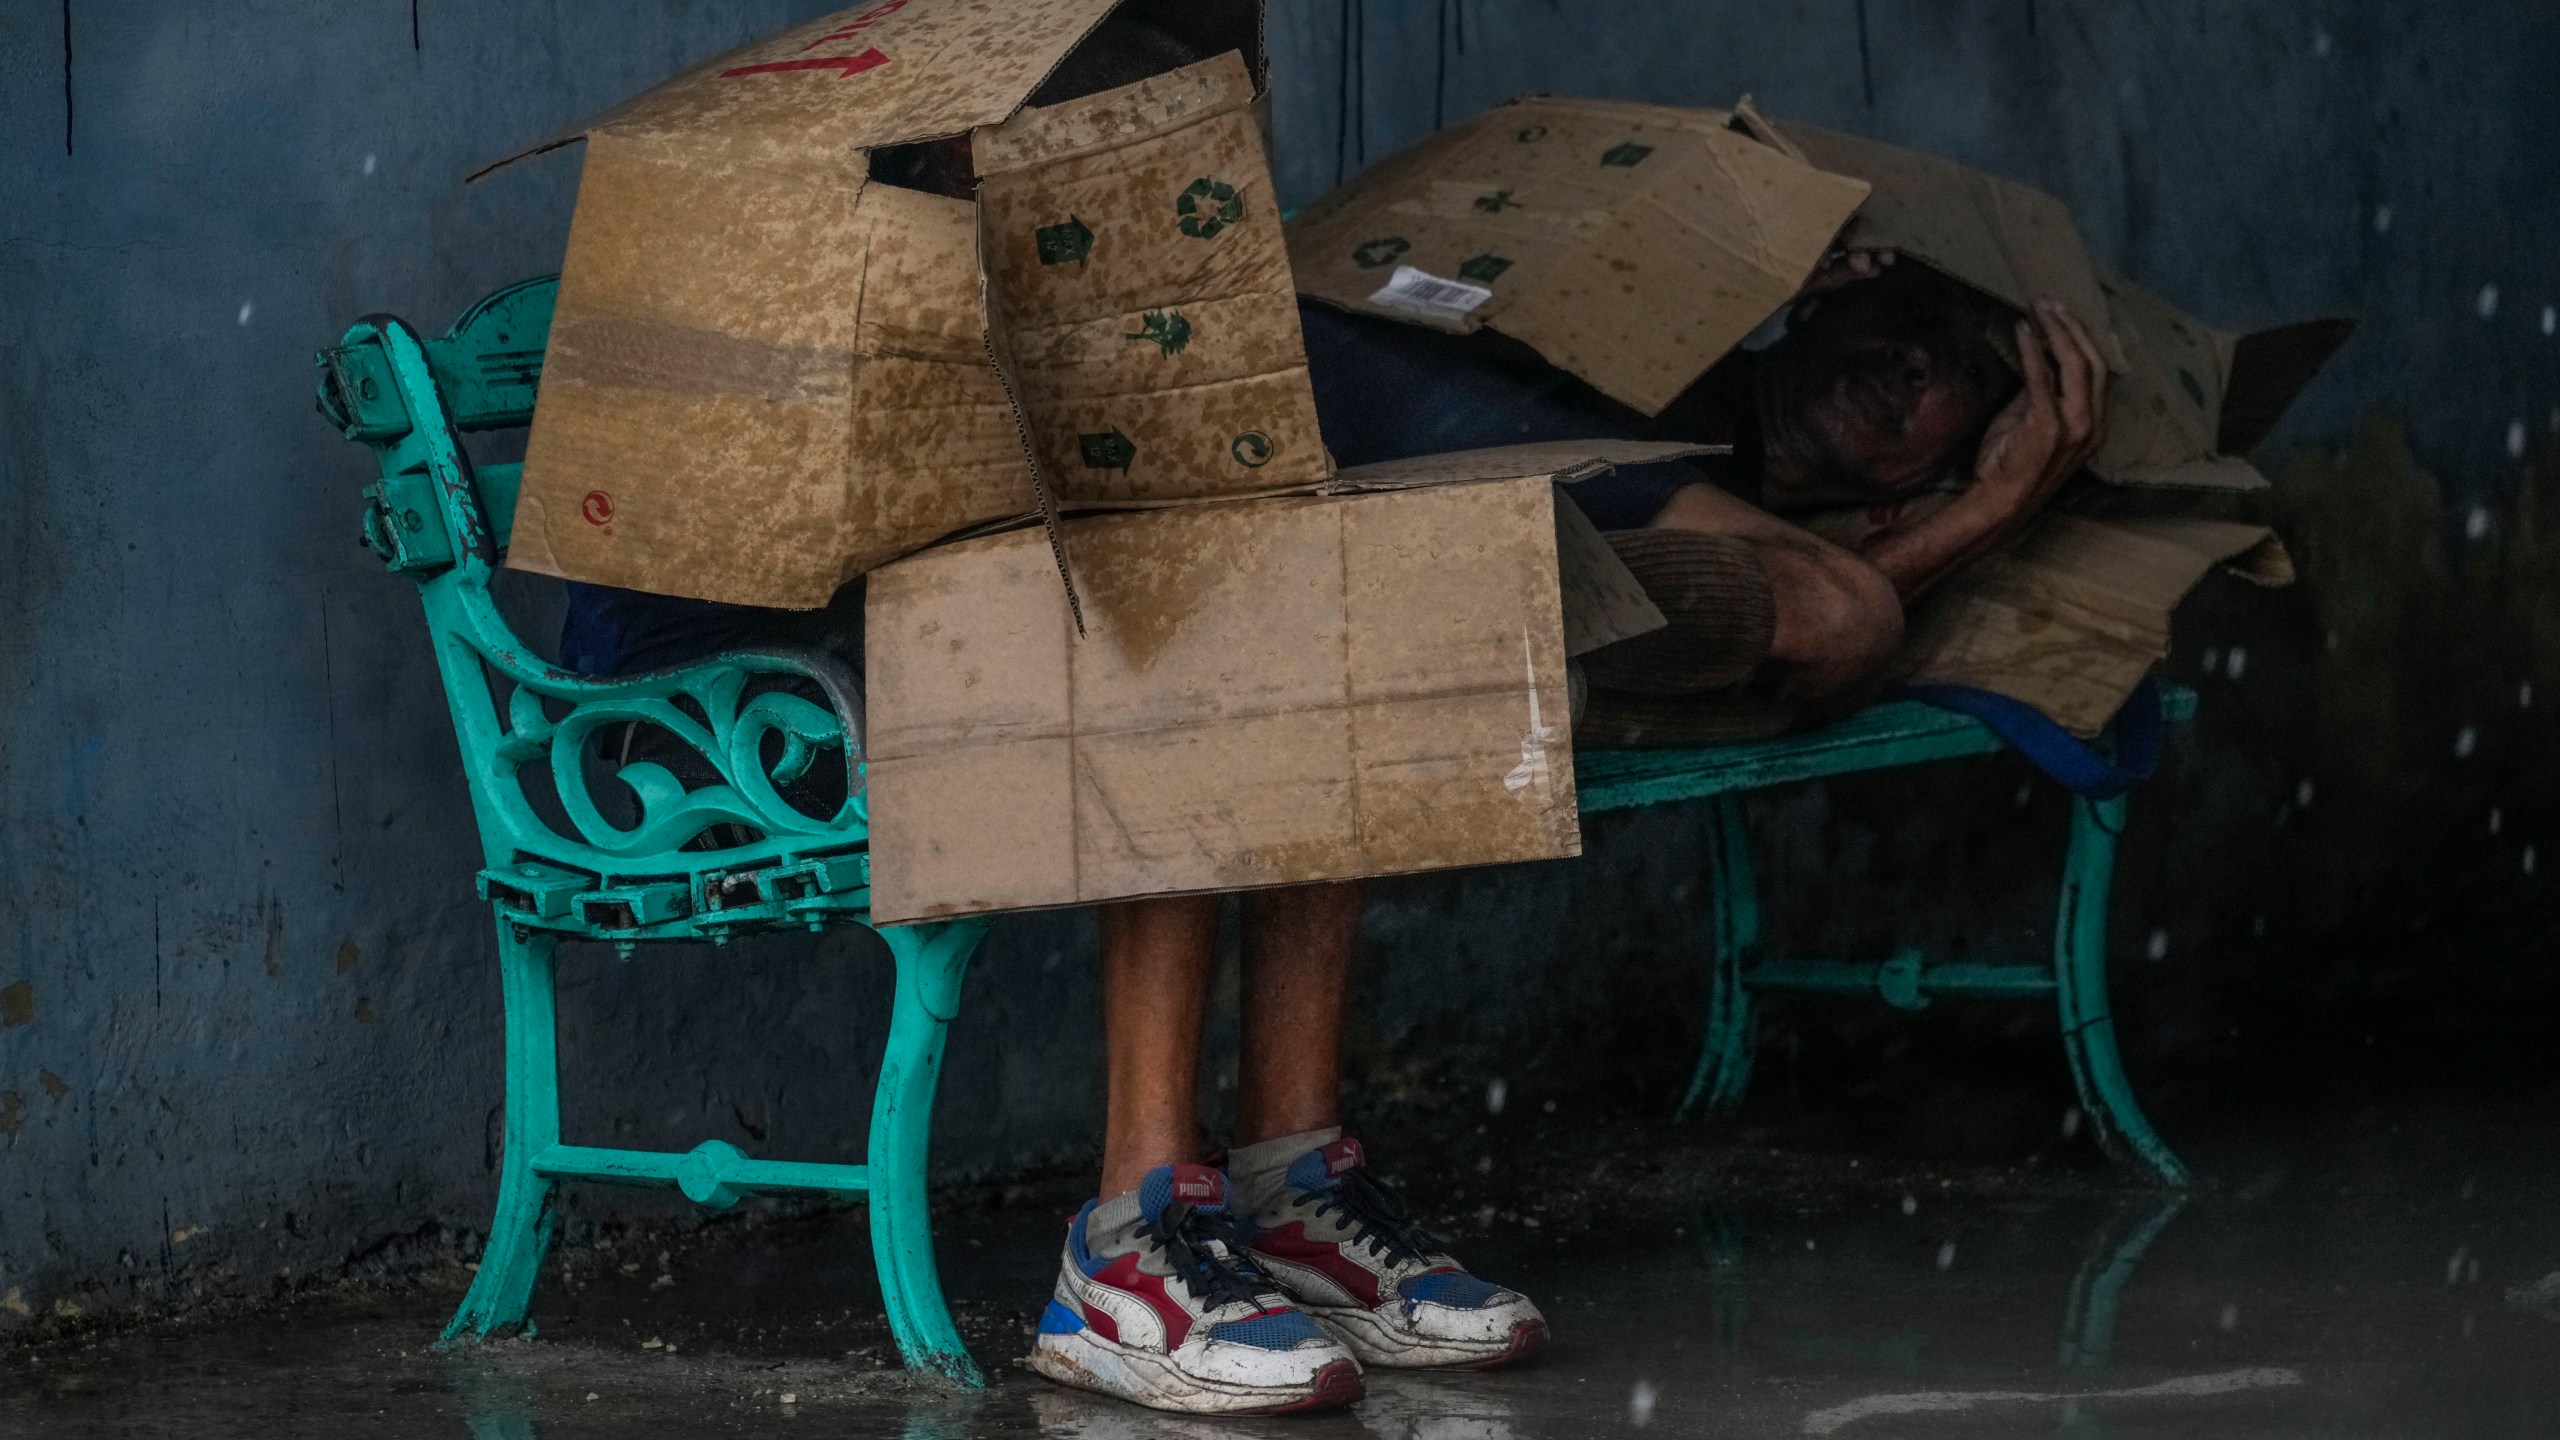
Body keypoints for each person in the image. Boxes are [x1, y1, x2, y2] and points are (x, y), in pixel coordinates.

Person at [552, 28, 2111, 1413]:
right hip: (723, 724)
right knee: (1205, 625)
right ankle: (1127, 1242)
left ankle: (1285, 1186)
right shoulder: (847, 247)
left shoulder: (1203, 317)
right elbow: (706, 559)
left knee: (1294, 597)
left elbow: (1817, 610)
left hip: (947, 671)